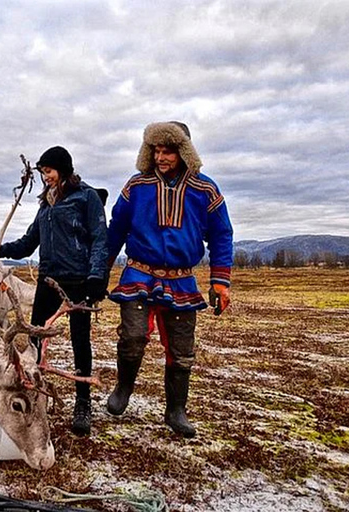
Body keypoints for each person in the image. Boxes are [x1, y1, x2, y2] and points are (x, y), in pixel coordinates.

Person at [105, 121, 233, 438]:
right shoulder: (137, 186)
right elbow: (116, 230)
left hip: (181, 279)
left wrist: (221, 280)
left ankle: (176, 410)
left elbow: (221, 234)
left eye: (168, 151)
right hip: (139, 272)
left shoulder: (205, 189)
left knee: (181, 348)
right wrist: (100, 270)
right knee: (132, 336)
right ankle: (123, 388)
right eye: (156, 150)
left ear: (183, 152)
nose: (161, 157)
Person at [0, 146, 108, 436]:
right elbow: (27, 244)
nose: (45, 177)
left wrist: (96, 277)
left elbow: (101, 239)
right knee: (33, 341)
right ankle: (30, 397)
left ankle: (83, 404)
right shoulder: (46, 205)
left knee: (80, 342)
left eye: (48, 171)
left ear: (63, 169)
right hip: (49, 281)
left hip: (77, 282)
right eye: (41, 173)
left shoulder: (86, 198)